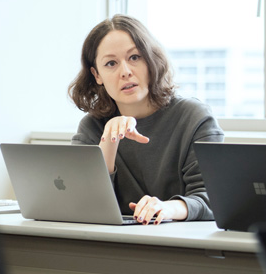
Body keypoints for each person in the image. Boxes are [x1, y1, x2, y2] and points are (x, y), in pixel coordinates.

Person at [68, 15, 223, 224]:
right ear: (97, 75)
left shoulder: (193, 118)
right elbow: (81, 204)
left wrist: (167, 208)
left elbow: (213, 198)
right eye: (111, 63)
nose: (125, 72)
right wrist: (109, 142)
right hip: (111, 247)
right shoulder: (92, 127)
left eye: (134, 57)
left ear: (151, 60)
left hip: (182, 245)